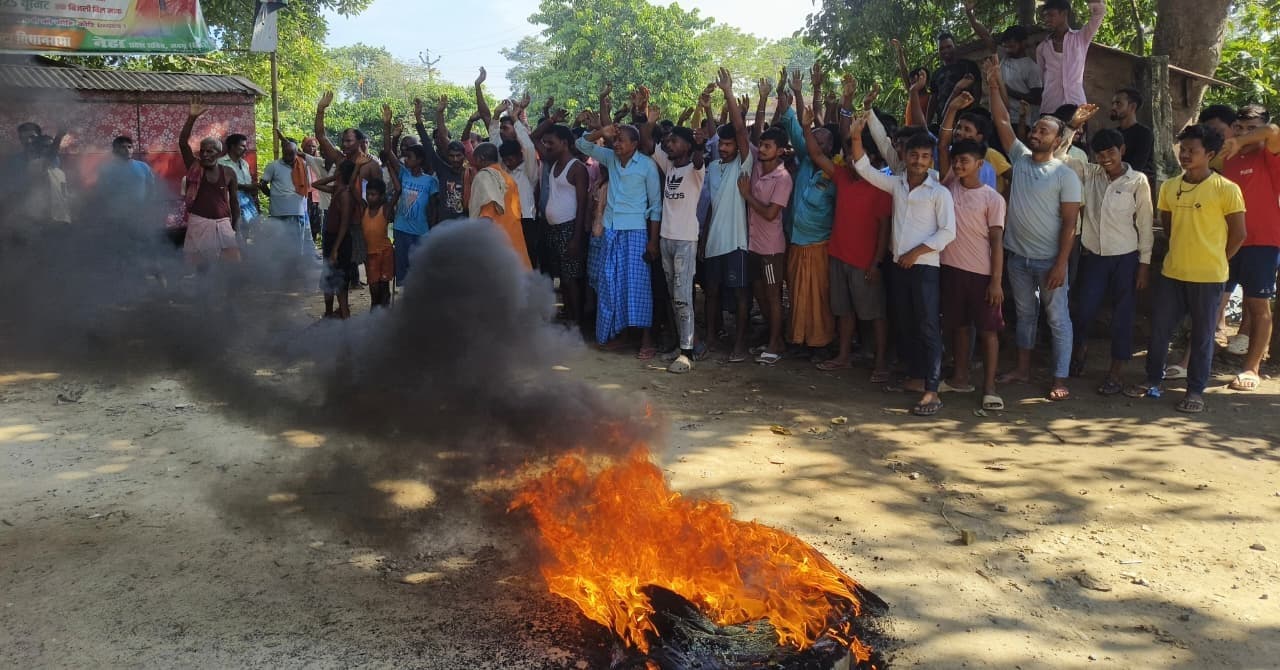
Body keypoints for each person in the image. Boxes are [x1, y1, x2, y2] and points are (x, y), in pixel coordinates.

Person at [1126, 124, 1246, 413]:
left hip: (1209, 277)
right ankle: (1152, 379)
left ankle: (1195, 391)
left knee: (1202, 336)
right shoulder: (1169, 187)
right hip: (1173, 273)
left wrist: (1218, 258)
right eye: (1184, 150)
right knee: (1159, 331)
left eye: (1193, 150)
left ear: (1211, 154)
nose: (1186, 155)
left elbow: (1239, 234)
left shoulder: (1227, 189)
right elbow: (1168, 228)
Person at [985, 55, 1083, 402]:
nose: (1037, 133)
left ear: (1058, 140)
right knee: (1025, 315)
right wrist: (994, 83)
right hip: (1018, 258)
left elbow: (1070, 224)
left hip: (1049, 261)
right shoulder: (1021, 159)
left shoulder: (1065, 175)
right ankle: (1023, 369)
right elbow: (1000, 120)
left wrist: (1060, 264)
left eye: (1045, 130)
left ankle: (1059, 377)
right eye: (1037, 128)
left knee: (1057, 319)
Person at [851, 112, 955, 416]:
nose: (919, 161)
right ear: (905, 156)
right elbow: (864, 168)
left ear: (932, 160)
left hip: (925, 268)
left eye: (925, 156)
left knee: (928, 326)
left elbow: (948, 232)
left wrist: (916, 253)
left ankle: (932, 391)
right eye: (914, 155)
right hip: (899, 267)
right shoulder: (897, 184)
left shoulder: (940, 193)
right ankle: (914, 378)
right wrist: (857, 135)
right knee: (906, 323)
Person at [802, 83, 894, 382]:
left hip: (864, 261)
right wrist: (805, 128)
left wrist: (876, 263)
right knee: (843, 310)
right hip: (838, 254)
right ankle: (843, 356)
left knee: (875, 313)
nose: (850, 161)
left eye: (856, 156)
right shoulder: (841, 176)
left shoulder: (879, 185)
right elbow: (816, 155)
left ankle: (880, 362)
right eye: (849, 156)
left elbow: (884, 229)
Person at [1061, 127, 1153, 395]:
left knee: (1123, 316)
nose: (1105, 159)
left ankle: (1116, 372)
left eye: (1111, 152)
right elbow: (1057, 156)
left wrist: (1144, 265)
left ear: (1122, 150)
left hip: (1125, 258)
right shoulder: (1089, 173)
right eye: (1100, 154)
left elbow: (1145, 225)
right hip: (1094, 257)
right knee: (1084, 310)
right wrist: (1070, 128)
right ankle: (1080, 351)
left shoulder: (1137, 181)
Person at [575, 120, 662, 354]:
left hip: (636, 231)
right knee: (610, 284)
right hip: (611, 230)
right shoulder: (611, 159)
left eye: (621, 140)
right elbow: (581, 144)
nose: (616, 143)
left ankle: (646, 340)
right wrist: (600, 133)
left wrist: (653, 242)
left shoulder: (646, 166)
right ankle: (621, 335)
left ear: (635, 144)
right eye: (615, 139)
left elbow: (655, 206)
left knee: (638, 287)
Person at [933, 135, 1007, 409]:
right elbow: (942, 146)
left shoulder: (993, 199)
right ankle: (959, 379)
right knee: (959, 327)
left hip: (982, 274)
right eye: (956, 160)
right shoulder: (949, 187)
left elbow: (997, 241)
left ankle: (990, 388)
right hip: (951, 268)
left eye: (964, 161)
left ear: (979, 164)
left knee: (988, 331)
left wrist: (996, 282)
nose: (958, 165)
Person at [1217, 104, 1280, 392]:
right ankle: (1193, 361)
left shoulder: (1270, 154)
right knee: (1211, 299)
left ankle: (1251, 368)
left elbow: (1274, 131)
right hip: (1225, 241)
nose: (1243, 134)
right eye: (1239, 128)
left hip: (1262, 241)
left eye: (1251, 129)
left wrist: (1242, 141)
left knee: (1258, 306)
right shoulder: (1227, 159)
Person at [782, 67, 838, 357]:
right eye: (814, 135)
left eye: (823, 139)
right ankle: (798, 339)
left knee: (819, 297)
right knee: (798, 295)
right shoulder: (804, 161)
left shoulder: (836, 174)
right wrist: (796, 91)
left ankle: (821, 342)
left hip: (820, 245)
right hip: (796, 241)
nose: (816, 140)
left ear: (830, 148)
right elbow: (792, 122)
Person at [644, 121, 707, 373]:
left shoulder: (695, 169)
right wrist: (648, 114)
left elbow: (700, 160)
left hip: (685, 240)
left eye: (674, 141)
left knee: (683, 297)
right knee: (674, 295)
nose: (668, 144)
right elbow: (647, 140)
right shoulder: (669, 164)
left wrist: (700, 145)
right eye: (667, 141)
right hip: (666, 239)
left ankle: (687, 353)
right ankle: (687, 344)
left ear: (688, 146)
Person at [701, 74, 754, 364]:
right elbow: (711, 205)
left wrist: (728, 93)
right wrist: (703, 236)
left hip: (737, 242)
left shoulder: (745, 164)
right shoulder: (713, 168)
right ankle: (710, 338)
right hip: (713, 243)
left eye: (729, 144)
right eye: (721, 144)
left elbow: (741, 131)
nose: (724, 147)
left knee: (741, 294)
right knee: (711, 293)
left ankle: (740, 344)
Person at [742, 123, 794, 366]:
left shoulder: (783, 178)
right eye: (761, 145)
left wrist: (747, 196)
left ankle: (776, 343)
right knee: (759, 294)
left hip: (771, 248)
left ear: (780, 151)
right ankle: (775, 339)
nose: (761, 149)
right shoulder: (756, 167)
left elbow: (771, 213)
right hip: (753, 244)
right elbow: (743, 135)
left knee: (774, 297)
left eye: (767, 146)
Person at [178, 99, 242, 268]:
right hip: (199, 224)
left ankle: (225, 293)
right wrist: (192, 117)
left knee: (230, 267)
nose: (205, 154)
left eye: (210, 151)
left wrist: (236, 227)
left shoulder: (228, 173)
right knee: (201, 268)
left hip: (223, 225)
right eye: (202, 151)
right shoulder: (194, 166)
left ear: (219, 153)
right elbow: (183, 143)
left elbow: (234, 203)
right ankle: (205, 293)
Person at [381, 104, 440, 285]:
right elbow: (388, 151)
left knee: (420, 272)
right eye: (406, 157)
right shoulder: (403, 173)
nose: (406, 160)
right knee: (404, 272)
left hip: (421, 231)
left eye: (410, 158)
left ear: (420, 160)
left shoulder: (430, 181)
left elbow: (433, 209)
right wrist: (387, 125)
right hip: (401, 230)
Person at [468, 142, 530, 270]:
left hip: (496, 243)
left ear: (481, 158)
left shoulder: (484, 176)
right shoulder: (508, 178)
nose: (473, 163)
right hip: (514, 238)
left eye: (474, 159)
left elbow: (486, 215)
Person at [1038, 0, 1106, 116]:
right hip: (1050, 107)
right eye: (1045, 16)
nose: (1047, 19)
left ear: (1064, 14)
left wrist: (1093, 2)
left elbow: (1099, 14)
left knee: (1077, 134)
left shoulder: (1080, 38)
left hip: (1077, 107)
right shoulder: (1042, 47)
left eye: (1051, 15)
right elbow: (1042, 78)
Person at [938, 91, 1012, 193]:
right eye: (958, 127)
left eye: (967, 129)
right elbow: (943, 145)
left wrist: (1004, 200)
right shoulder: (951, 161)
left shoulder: (988, 168)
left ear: (979, 137)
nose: (959, 132)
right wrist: (952, 109)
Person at [311, 160, 358, 319]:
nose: (334, 172)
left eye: (337, 170)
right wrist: (335, 178)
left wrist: (336, 249)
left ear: (342, 174)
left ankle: (345, 315)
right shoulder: (339, 189)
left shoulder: (345, 194)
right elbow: (316, 184)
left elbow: (344, 224)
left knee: (340, 281)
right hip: (332, 238)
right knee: (328, 278)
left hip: (341, 241)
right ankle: (329, 313)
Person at [415, 96, 469, 222]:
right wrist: (419, 118)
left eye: (458, 155)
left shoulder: (471, 174)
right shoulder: (443, 170)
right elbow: (428, 145)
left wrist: (440, 114)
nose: (455, 159)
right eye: (452, 156)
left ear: (464, 156)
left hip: (465, 228)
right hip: (444, 227)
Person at [259, 133, 311, 256]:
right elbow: (262, 184)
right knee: (279, 245)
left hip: (296, 211)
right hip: (278, 212)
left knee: (296, 245)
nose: (288, 156)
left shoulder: (303, 165)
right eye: (286, 153)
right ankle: (280, 272)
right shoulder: (273, 165)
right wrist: (272, 195)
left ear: (297, 152)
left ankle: (295, 269)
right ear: (282, 151)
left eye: (291, 153)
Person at [926, 31, 983, 127]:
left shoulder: (968, 66)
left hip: (966, 121)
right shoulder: (936, 74)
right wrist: (927, 124)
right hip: (944, 122)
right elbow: (933, 101)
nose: (945, 51)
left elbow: (977, 94)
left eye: (948, 47)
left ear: (955, 46)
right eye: (942, 48)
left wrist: (972, 118)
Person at [95, 135, 155, 223]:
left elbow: (151, 188)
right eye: (123, 147)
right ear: (115, 151)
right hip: (116, 215)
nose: (127, 150)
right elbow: (102, 192)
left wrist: (147, 206)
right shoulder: (106, 169)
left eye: (129, 147)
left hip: (139, 214)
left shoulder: (143, 166)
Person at [360, 176, 398, 308]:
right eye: (368, 194)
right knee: (374, 288)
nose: (370, 197)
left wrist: (389, 162)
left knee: (384, 287)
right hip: (370, 255)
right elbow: (354, 192)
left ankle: (383, 316)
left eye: (373, 195)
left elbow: (397, 191)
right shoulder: (363, 208)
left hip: (385, 253)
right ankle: (375, 312)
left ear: (381, 196)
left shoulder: (385, 210)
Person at [1109, 87, 1156, 181]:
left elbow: (1137, 166)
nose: (1113, 107)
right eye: (1113, 104)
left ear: (1132, 107)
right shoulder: (1112, 134)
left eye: (1118, 103)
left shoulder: (1144, 134)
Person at [217, 132, 259, 230]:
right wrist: (245, 187)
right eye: (242, 146)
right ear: (232, 146)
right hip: (231, 202)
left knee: (249, 231)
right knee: (235, 230)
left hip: (248, 201)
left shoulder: (245, 163)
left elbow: (247, 183)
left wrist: (253, 189)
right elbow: (221, 185)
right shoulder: (221, 163)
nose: (246, 149)